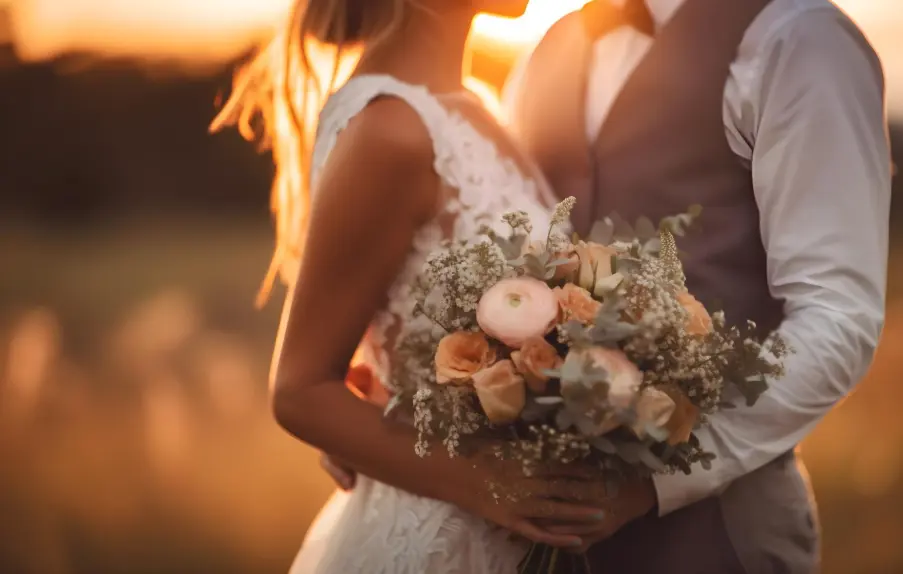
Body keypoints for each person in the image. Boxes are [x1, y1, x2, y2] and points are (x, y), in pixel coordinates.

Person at [216, 0, 621, 572]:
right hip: (437, 543)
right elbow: (300, 389)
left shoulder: (470, 107)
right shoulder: (393, 128)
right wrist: (491, 483)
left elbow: (391, 328)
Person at [498, 0, 892, 571]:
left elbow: (838, 316)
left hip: (718, 533)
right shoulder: (546, 47)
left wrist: (657, 480)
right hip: (526, 539)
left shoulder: (800, 40)